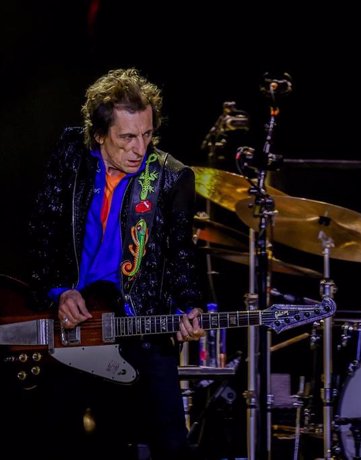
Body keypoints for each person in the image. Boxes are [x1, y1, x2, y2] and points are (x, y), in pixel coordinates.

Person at [21, 68, 205, 459]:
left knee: (172, 445)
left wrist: (190, 307)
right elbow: (40, 235)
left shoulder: (171, 178)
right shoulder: (71, 154)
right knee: (51, 440)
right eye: (127, 137)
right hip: (73, 326)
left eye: (148, 134)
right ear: (100, 134)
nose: (140, 148)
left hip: (140, 325)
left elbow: (181, 257)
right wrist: (57, 292)